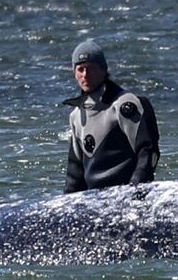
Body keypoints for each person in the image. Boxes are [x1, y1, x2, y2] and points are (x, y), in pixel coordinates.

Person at [62, 40, 160, 194]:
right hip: (93, 200)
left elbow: (148, 151)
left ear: (103, 69)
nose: (85, 75)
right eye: (80, 69)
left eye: (90, 69)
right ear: (74, 73)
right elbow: (74, 173)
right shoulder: (76, 115)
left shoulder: (126, 105)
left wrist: (136, 190)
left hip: (126, 194)